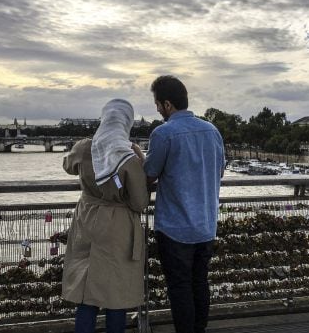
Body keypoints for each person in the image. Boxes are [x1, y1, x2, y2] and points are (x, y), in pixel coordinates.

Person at [143, 75, 224, 333]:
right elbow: (219, 171)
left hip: (175, 228)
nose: (157, 109)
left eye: (157, 104)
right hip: (206, 224)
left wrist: (137, 155)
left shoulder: (163, 134)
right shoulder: (212, 131)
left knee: (179, 287)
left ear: (167, 104)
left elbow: (149, 175)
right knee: (200, 283)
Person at [62, 98, 148, 333]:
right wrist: (141, 158)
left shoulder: (84, 147)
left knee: (85, 289)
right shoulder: (128, 155)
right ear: (126, 123)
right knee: (116, 293)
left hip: (87, 220)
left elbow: (67, 165)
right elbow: (140, 202)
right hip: (118, 226)